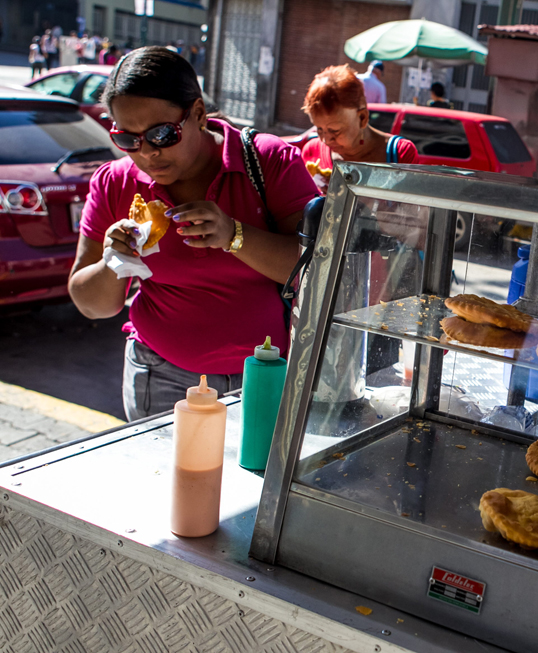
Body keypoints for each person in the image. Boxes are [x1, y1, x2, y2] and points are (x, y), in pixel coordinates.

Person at [68, 46, 318, 420]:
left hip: (264, 373)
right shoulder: (115, 182)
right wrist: (112, 262)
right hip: (159, 373)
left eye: (162, 134)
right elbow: (93, 304)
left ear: (198, 114)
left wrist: (234, 235)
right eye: (127, 139)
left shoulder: (268, 162)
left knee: (254, 477)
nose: (147, 153)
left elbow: (317, 272)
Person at [300, 64, 418, 193]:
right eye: (319, 129)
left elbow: (410, 210)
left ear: (362, 118)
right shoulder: (311, 152)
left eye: (335, 131)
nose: (326, 140)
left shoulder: (399, 154)